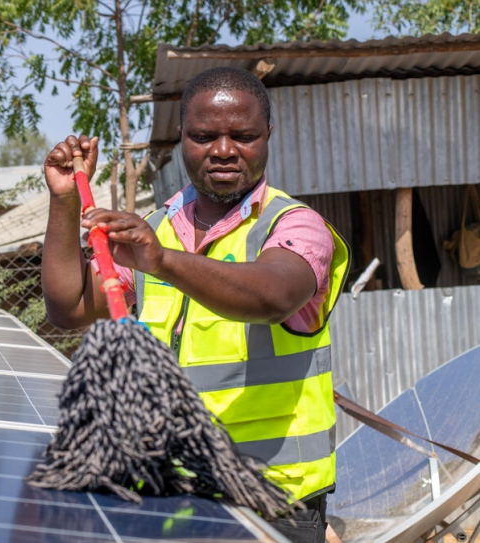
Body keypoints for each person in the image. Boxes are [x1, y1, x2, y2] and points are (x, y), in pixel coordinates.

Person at [41, 66, 350, 543]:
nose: (224, 150)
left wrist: (162, 261)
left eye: (243, 135)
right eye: (205, 136)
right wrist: (63, 202)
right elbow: (70, 307)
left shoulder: (295, 226)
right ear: (181, 136)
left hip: (271, 509)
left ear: (268, 135)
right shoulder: (157, 227)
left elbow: (272, 295)